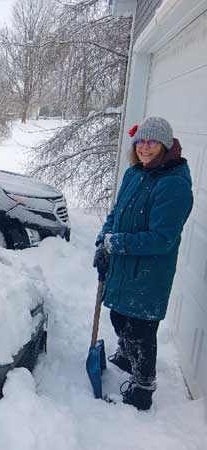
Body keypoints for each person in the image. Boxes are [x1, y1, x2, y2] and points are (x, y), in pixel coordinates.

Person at [93, 116, 193, 410]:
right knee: (119, 319)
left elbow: (163, 238)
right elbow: (116, 214)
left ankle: (142, 390)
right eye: (141, 142)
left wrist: (117, 244)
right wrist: (103, 241)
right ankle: (125, 356)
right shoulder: (134, 174)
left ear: (165, 145)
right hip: (125, 267)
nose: (145, 148)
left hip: (149, 274)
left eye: (152, 142)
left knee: (141, 332)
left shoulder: (173, 184)